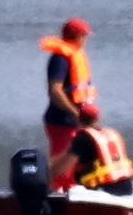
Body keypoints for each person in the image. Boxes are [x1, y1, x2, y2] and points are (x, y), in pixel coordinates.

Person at [40, 17, 98, 187]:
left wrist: (88, 119)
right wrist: (75, 113)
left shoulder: (76, 54)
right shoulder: (60, 58)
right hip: (61, 122)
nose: (85, 40)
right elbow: (55, 90)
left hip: (79, 122)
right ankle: (58, 199)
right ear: (77, 36)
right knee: (61, 169)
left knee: (79, 165)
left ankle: (76, 197)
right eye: (84, 36)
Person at [47, 107, 133, 196]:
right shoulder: (113, 134)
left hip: (101, 192)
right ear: (98, 117)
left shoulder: (83, 137)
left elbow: (63, 168)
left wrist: (48, 173)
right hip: (127, 188)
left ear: (79, 119)